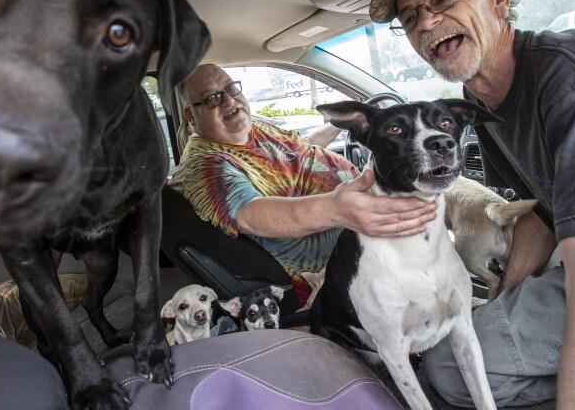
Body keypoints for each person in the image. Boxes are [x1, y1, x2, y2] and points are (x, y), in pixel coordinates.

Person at [368, 0, 575, 408]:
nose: (423, 24)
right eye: (409, 17)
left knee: (453, 370)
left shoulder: (573, 74)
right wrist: (504, 297)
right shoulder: (480, 100)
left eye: (442, 0)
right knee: (455, 361)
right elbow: (542, 208)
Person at [170, 64, 438, 305]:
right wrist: (336, 209)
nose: (229, 100)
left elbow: (299, 149)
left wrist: (342, 123)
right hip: (343, 267)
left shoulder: (255, 128)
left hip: (370, 219)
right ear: (191, 117)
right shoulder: (205, 164)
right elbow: (251, 215)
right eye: (212, 98)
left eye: (230, 88)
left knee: (447, 191)